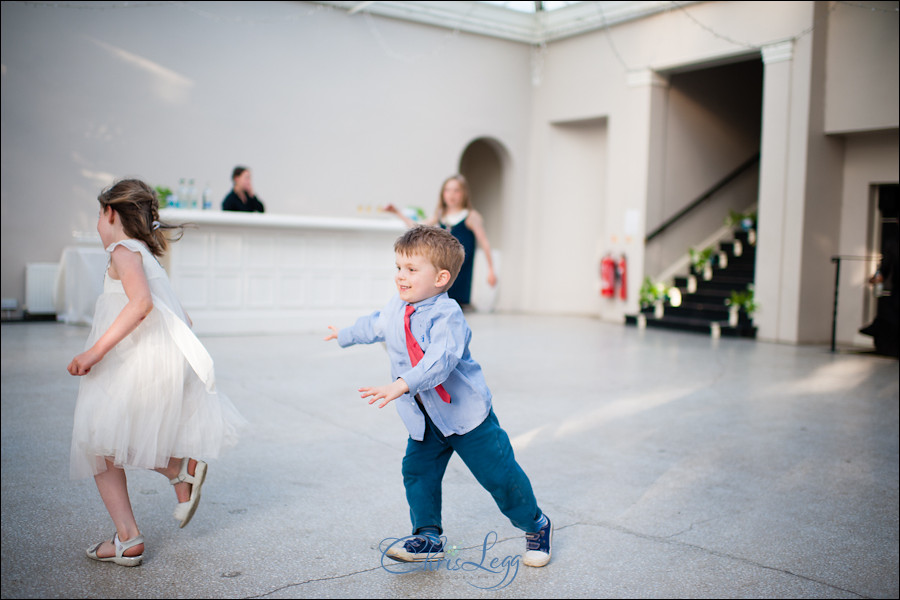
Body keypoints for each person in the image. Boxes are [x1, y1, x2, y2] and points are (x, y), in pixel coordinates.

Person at [324, 225, 551, 567]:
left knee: (499, 477)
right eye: (399, 268)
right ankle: (428, 536)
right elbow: (374, 325)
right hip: (425, 418)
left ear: (441, 278)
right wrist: (345, 334)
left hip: (465, 416)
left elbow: (440, 362)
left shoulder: (448, 316)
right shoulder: (396, 307)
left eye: (412, 270)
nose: (401, 277)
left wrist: (401, 384)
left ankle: (535, 524)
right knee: (417, 471)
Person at [68, 179, 247, 567]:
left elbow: (141, 303)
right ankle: (178, 473)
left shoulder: (121, 250)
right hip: (153, 360)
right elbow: (185, 317)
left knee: (97, 441)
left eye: (99, 215)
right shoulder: (146, 254)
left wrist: (94, 351)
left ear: (110, 213)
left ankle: (129, 535)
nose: (99, 224)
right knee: (104, 439)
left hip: (128, 362)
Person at [383, 174, 496, 309]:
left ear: (464, 194)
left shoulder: (471, 216)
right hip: (444, 265)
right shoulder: (440, 215)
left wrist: (491, 270)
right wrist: (398, 213)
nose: (451, 194)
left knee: (457, 304)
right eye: (447, 190)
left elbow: (484, 242)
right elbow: (417, 226)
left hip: (461, 269)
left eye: (456, 190)